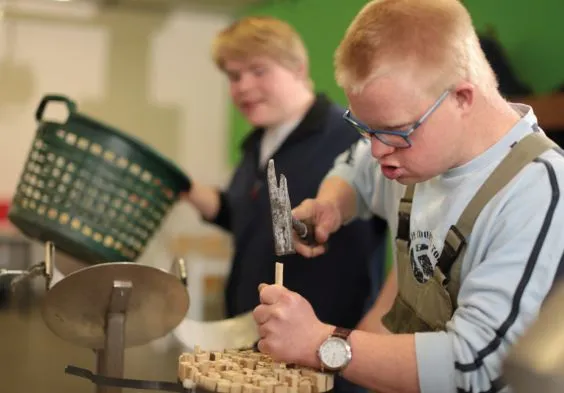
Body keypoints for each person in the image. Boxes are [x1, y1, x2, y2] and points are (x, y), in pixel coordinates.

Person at [251, 1, 564, 393]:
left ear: (462, 98)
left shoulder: (534, 190)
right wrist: (331, 204)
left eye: (394, 131)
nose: (379, 150)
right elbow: (354, 167)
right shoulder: (411, 151)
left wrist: (319, 343)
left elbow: (473, 364)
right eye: (365, 128)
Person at [179, 16, 388, 392]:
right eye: (233, 76)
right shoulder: (256, 144)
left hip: (329, 363)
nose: (243, 87)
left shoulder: (353, 137)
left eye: (258, 71)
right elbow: (246, 219)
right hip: (255, 354)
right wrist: (188, 190)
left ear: (298, 68)